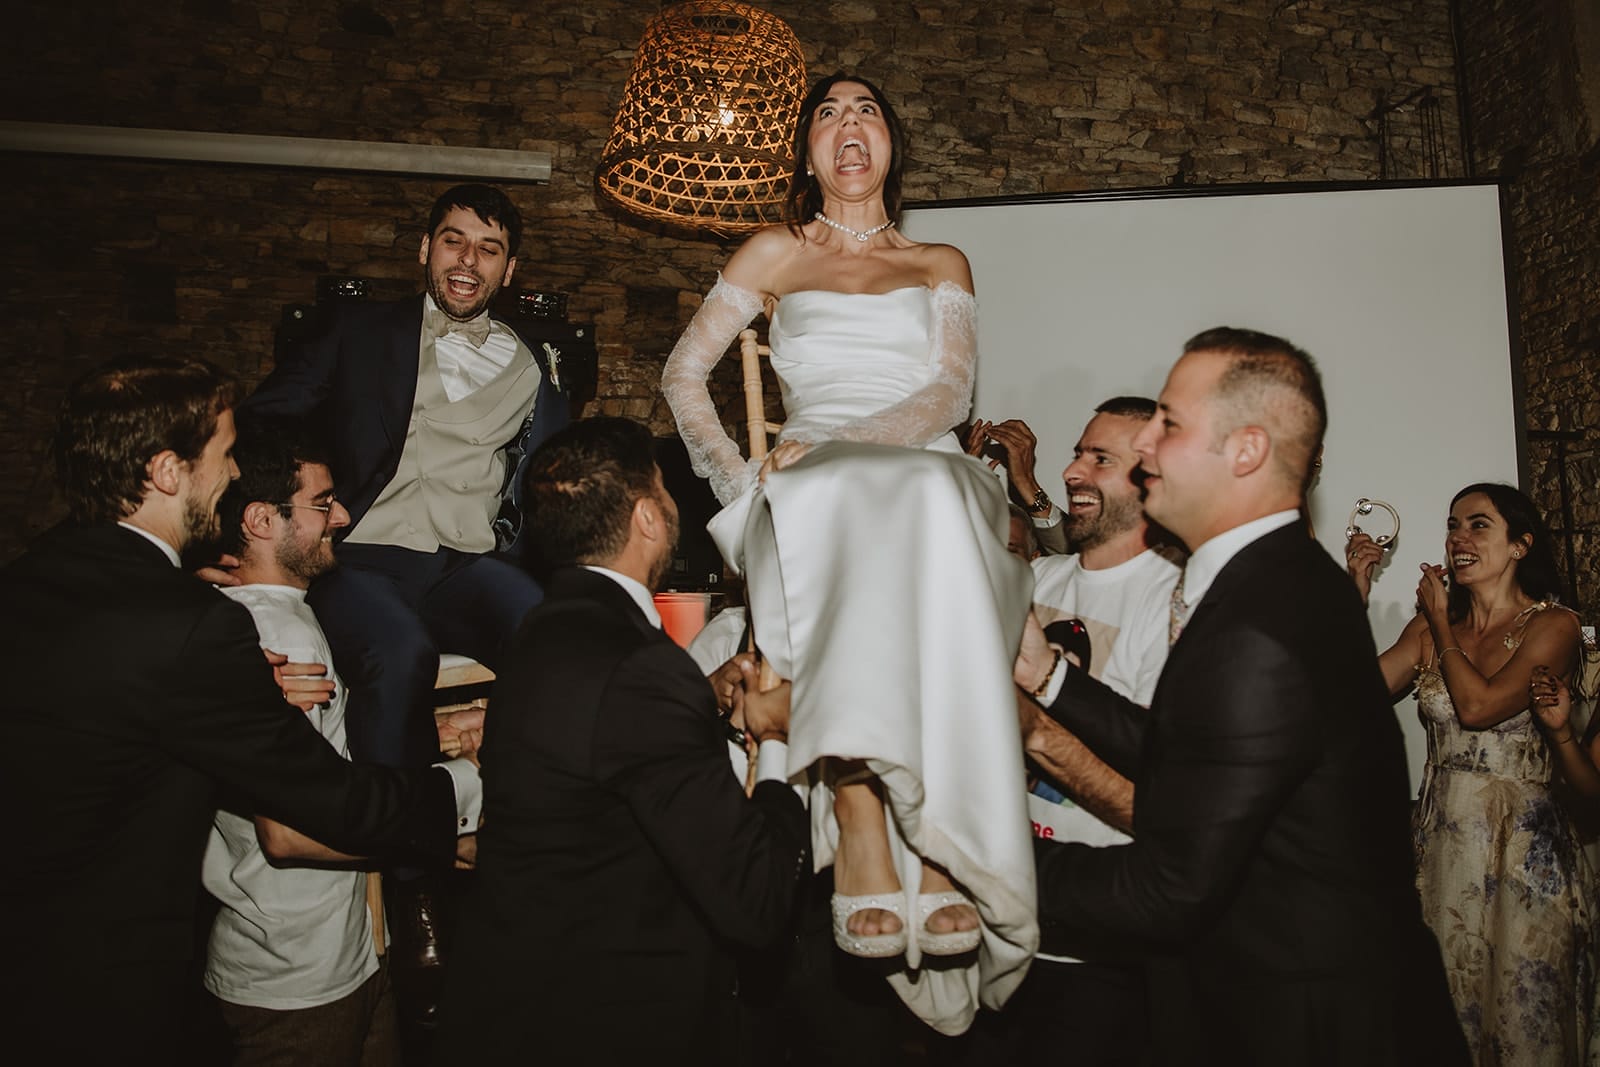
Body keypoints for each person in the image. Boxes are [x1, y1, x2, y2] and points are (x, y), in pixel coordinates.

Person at [660, 71, 1037, 1034]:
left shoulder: (940, 259)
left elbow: (950, 394)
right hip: (806, 478)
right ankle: (863, 810)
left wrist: (848, 446)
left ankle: (937, 837)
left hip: (914, 463)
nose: (847, 123)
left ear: (891, 145)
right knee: (846, 494)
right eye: (826, 113)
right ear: (811, 154)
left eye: (865, 107)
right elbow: (684, 373)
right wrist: (739, 481)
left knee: (921, 485)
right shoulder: (775, 250)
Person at [0, 358, 480, 1061]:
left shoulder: (32, 580)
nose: (229, 478)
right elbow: (326, 805)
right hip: (101, 997)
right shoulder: (187, 625)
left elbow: (121, 718)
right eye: (221, 457)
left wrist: (241, 691)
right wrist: (475, 783)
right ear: (168, 472)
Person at [1013, 328, 1466, 1063]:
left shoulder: (1264, 617)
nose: (1148, 448)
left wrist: (971, 861)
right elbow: (1194, 754)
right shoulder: (1272, 576)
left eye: (1169, 422)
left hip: (1311, 1018)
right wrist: (1050, 678)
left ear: (1247, 451)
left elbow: (1169, 886)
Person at [239, 183, 567, 1021]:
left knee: (546, 633)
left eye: (487, 248)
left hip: (464, 558)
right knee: (398, 651)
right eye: (453, 241)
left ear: (510, 267)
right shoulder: (359, 332)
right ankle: (415, 883)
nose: (468, 261)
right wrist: (254, 529)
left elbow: (550, 491)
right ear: (425, 248)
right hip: (362, 554)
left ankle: (532, 839)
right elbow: (264, 421)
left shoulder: (534, 365)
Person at [435, 417, 809, 1064]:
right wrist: (776, 737)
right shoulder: (642, 670)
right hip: (612, 1024)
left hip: (519, 1007)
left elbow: (605, 755)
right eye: (663, 490)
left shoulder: (539, 631)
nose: (671, 505)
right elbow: (756, 899)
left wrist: (701, 693)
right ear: (646, 518)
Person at [1350, 482, 1594, 1064]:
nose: (1459, 537)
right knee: (1441, 1024)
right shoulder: (1432, 629)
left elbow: (1479, 708)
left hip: (1525, 858)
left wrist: (1437, 621)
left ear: (1520, 545)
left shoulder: (1554, 625)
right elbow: (1346, 698)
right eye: (1453, 525)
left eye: (1478, 525)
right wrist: (1354, 596)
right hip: (1441, 856)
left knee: (1523, 1028)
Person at [968, 396, 1179, 1065]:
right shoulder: (1034, 578)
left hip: (1099, 952)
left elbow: (1164, 785)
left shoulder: (1175, 601)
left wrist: (1034, 724)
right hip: (996, 926)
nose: (1071, 471)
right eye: (1077, 453)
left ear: (1150, 478)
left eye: (1099, 459)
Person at [200, 415, 404, 1065]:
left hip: (339, 956)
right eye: (321, 503)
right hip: (295, 981)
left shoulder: (275, 617)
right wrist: (432, 824)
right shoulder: (272, 632)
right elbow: (287, 832)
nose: (341, 515)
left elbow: (323, 769)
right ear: (262, 520)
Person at [966, 417, 1068, 555]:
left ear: (1034, 558)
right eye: (984, 548)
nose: (996, 559)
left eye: (1010, 551)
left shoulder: (1046, 573)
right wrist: (960, 484)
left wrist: (1026, 482)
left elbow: (1074, 559)